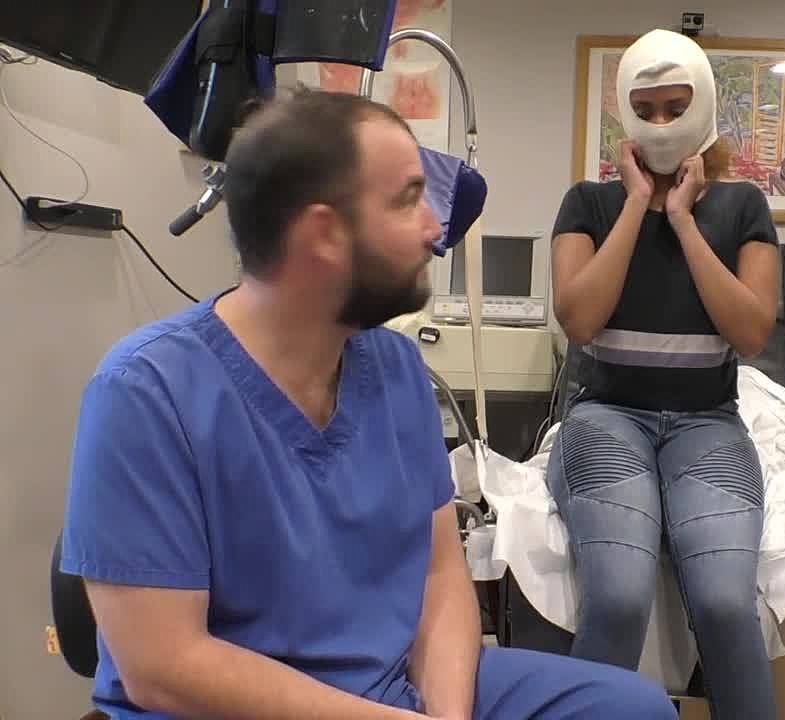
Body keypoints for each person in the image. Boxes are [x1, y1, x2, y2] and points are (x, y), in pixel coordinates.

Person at [59, 88, 678, 720]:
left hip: (390, 686)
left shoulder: (396, 368)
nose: (435, 228)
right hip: (230, 708)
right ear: (324, 234)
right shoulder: (147, 392)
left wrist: (445, 715)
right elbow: (163, 667)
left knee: (633, 709)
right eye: (408, 199)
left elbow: (439, 576)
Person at [547, 28, 781, 720]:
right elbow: (579, 320)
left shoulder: (743, 208)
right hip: (607, 417)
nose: (659, 124)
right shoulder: (587, 204)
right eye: (644, 109)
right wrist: (635, 205)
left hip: (707, 424)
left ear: (703, 105)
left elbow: (752, 332)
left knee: (726, 604)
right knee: (619, 598)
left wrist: (681, 220)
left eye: (675, 107)